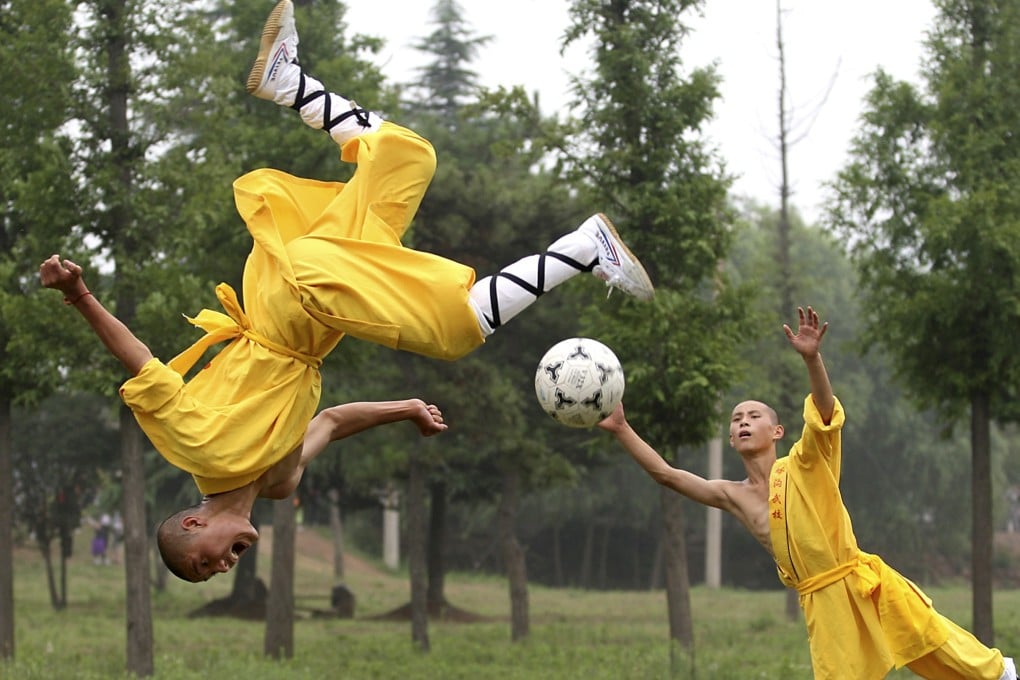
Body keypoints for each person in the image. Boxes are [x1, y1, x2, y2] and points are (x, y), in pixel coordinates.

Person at [38, 0, 654, 583]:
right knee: (408, 160)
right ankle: (289, 83)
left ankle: (582, 248)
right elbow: (330, 421)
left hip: (296, 297)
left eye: (202, 562)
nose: (221, 567)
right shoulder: (278, 481)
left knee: (453, 328)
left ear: (194, 522)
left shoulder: (198, 451)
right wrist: (404, 409)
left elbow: (141, 362)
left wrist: (79, 296)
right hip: (312, 297)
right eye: (214, 573)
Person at [597, 307, 1016, 680]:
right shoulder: (731, 494)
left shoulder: (806, 462)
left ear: (776, 431)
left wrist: (812, 358)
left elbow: (825, 413)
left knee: (936, 647)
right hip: (822, 602)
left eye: (754, 415)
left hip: (862, 582)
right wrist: (621, 428)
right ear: (730, 437)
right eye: (736, 418)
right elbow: (667, 475)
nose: (743, 421)